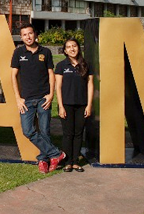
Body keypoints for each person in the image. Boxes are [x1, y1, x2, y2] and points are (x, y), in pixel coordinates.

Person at [11, 23, 65, 173]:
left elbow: (51, 74)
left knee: (45, 131)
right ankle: (56, 154)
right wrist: (17, 98)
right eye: (24, 35)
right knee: (28, 131)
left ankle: (43, 160)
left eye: (30, 33)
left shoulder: (45, 52)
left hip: (43, 98)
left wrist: (51, 94)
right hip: (26, 100)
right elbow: (13, 75)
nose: (28, 37)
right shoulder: (18, 53)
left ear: (35, 34)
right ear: (21, 37)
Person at [54, 38, 93, 172]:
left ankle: (76, 161)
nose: (72, 49)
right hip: (66, 104)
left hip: (82, 104)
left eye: (74, 46)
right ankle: (67, 162)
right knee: (68, 133)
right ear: (65, 51)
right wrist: (60, 106)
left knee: (78, 133)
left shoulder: (86, 65)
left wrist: (89, 105)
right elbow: (58, 87)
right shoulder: (61, 65)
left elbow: (90, 85)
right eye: (69, 47)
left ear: (78, 48)